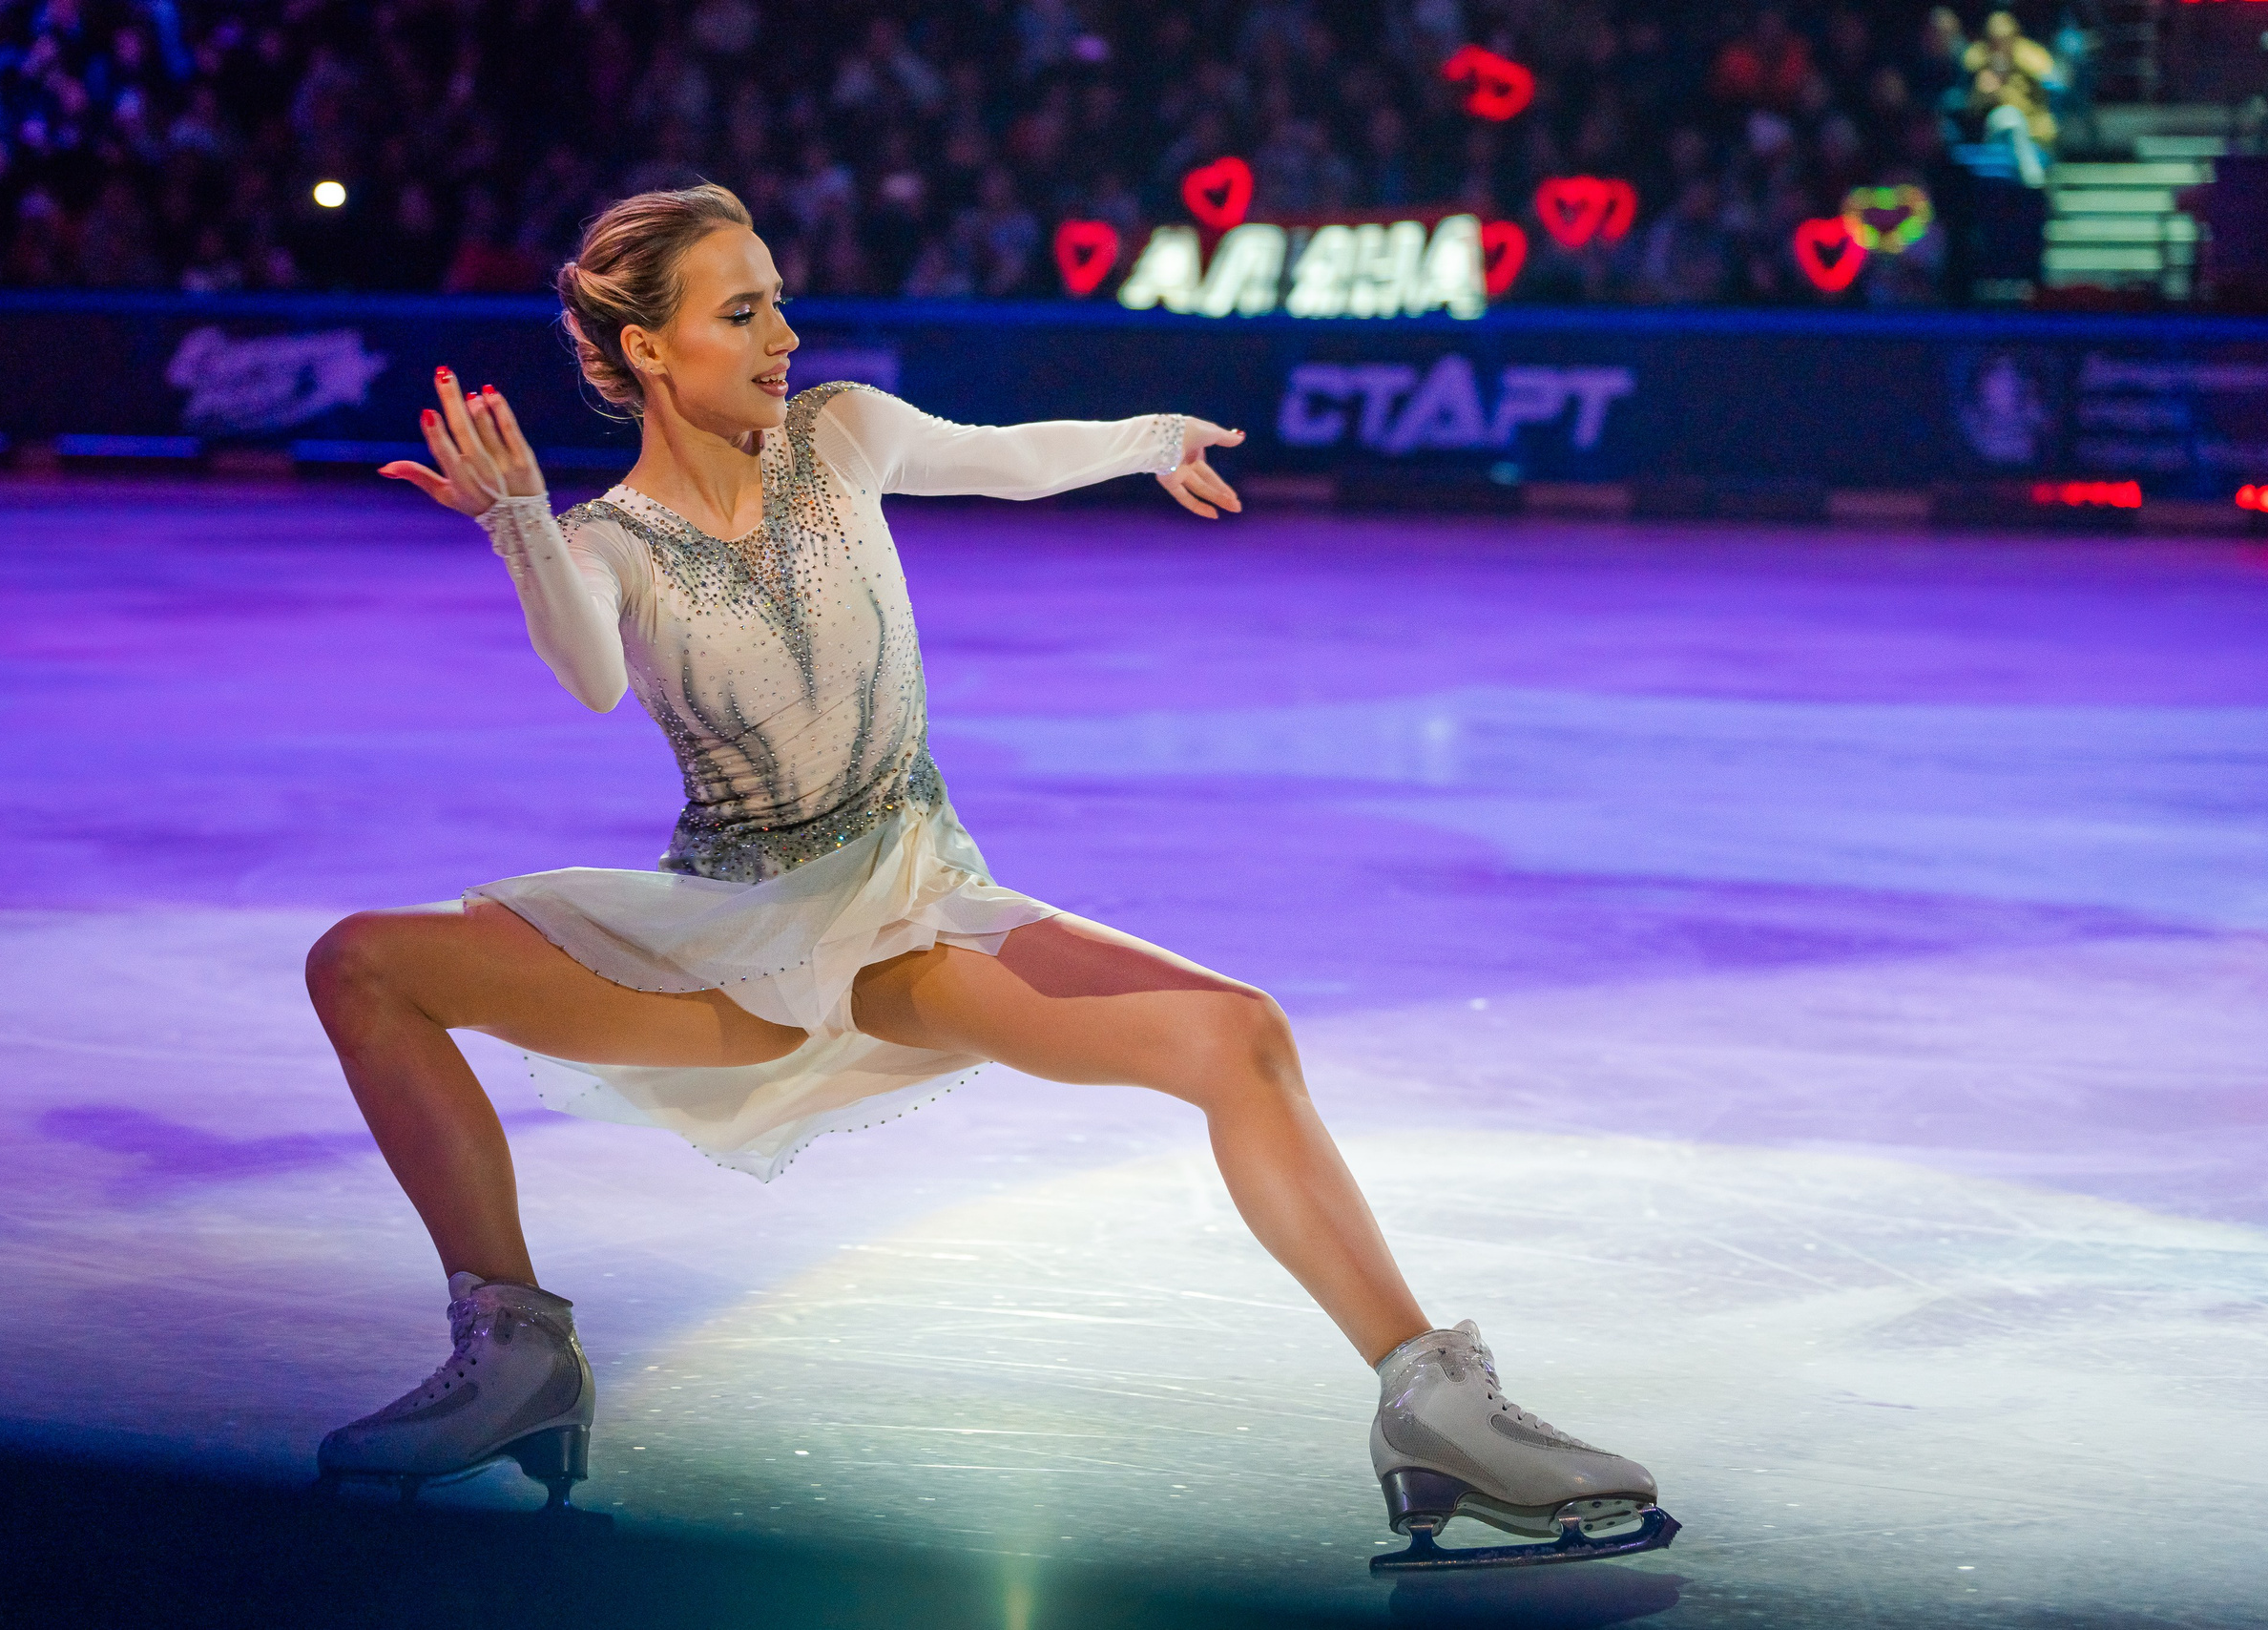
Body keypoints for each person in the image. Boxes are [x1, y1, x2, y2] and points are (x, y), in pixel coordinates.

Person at [307, 182, 1669, 1567]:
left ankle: (1431, 1403)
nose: (783, 331)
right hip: (726, 942)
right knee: (360, 965)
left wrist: (1152, 440)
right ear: (650, 350)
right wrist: (523, 521)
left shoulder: (837, 434)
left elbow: (1005, 457)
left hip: (906, 916)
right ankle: (516, 1354)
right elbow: (594, 680)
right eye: (741, 311)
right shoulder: (607, 543)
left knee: (1238, 1034)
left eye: (777, 296)